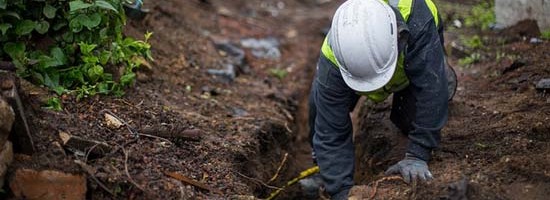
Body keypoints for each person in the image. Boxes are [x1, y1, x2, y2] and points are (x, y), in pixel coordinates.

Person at [307, 0, 449, 199]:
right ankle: (320, 165)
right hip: (352, 70)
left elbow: (431, 90)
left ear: (400, 37)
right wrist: (340, 192)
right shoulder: (334, 54)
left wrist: (417, 154)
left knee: (422, 106)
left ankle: (445, 76)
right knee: (319, 107)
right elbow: (331, 131)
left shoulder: (418, 20)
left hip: (414, 57)